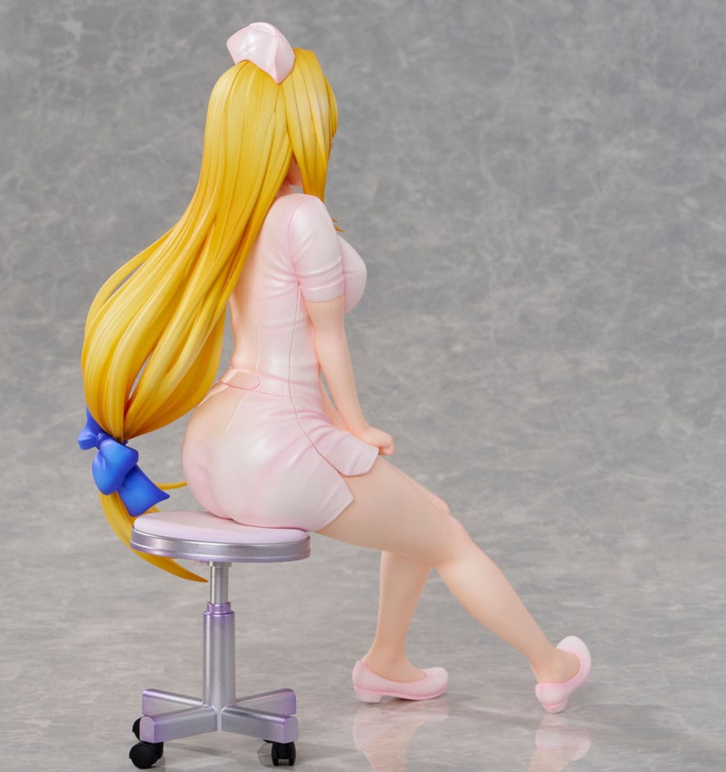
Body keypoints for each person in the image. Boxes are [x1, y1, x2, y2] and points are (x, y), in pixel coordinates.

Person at [79, 22, 591, 713]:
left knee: (422, 518)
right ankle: (552, 666)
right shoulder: (300, 216)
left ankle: (387, 663)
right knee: (448, 538)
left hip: (213, 447)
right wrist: (356, 425)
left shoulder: (227, 217)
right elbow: (327, 339)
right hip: (279, 444)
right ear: (300, 127)